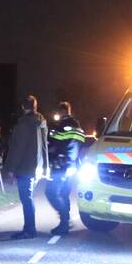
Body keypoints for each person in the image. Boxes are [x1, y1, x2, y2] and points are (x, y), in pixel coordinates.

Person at [4, 95, 49, 239]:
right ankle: (29, 228)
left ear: (23, 107)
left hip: (25, 167)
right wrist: (46, 166)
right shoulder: (41, 122)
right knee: (28, 197)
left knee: (26, 198)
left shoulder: (23, 124)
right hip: (38, 166)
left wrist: (11, 168)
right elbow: (45, 146)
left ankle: (29, 229)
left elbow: (18, 148)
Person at [46, 101, 86, 235]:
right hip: (73, 166)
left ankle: (65, 221)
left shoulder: (61, 126)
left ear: (61, 111)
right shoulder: (78, 127)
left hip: (61, 165)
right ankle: (64, 224)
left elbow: (53, 146)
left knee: (51, 192)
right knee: (64, 194)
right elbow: (81, 146)